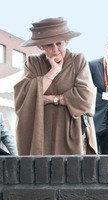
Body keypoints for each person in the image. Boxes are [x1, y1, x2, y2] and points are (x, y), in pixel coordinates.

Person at [14, 17, 98, 155]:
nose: (55, 50)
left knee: (71, 173)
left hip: (71, 131)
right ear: (42, 46)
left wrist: (52, 99)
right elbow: (23, 96)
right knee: (41, 173)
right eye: (49, 45)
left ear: (66, 42)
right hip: (41, 133)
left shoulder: (78, 60)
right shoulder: (33, 62)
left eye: (59, 43)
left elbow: (86, 97)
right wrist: (53, 72)